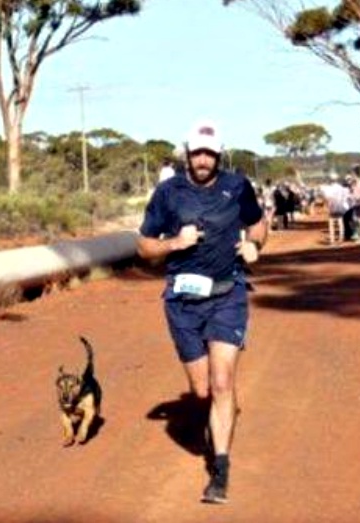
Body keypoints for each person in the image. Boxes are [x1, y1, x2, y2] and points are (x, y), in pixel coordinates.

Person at [136, 119, 268, 505]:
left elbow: (258, 225)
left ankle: (220, 468)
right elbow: (144, 247)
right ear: (187, 153)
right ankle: (216, 416)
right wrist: (176, 242)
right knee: (202, 390)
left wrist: (255, 246)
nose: (204, 159)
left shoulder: (236, 186)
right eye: (197, 152)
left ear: (219, 154)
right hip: (182, 302)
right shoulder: (168, 192)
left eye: (210, 152)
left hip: (228, 294)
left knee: (223, 381)